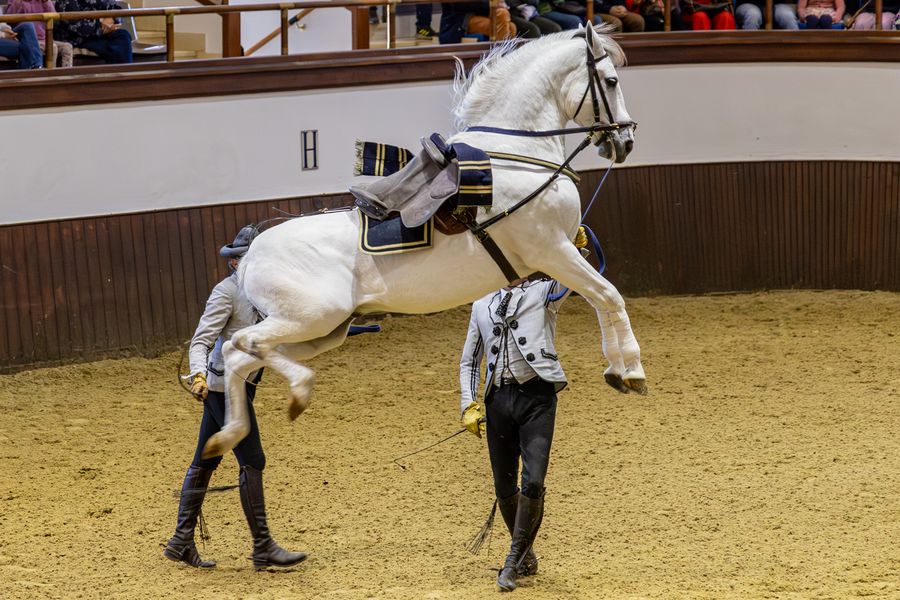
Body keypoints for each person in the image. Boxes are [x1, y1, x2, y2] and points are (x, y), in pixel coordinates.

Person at [164, 225, 306, 570]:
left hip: (245, 384)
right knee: (253, 459)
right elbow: (201, 341)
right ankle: (262, 546)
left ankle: (181, 540)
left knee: (205, 461)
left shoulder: (270, 293)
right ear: (234, 263)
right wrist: (197, 374)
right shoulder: (226, 293)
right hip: (223, 385)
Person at [459, 276, 573, 593]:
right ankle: (526, 555)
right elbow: (470, 360)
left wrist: (576, 248)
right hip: (498, 401)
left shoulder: (546, 291)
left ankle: (513, 560)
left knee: (533, 481)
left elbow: (575, 276)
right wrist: (468, 403)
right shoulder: (482, 303)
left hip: (537, 399)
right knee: (503, 485)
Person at [54, 0, 133, 64]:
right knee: (117, 49)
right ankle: (118, 76)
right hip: (77, 39)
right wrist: (103, 27)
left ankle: (125, 76)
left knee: (123, 35)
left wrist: (112, 18)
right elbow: (76, 26)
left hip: (100, 35)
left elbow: (118, 9)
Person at [6, 0, 75, 67]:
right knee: (52, 47)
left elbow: (55, 19)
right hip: (27, 40)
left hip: (44, 38)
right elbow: (10, 17)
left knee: (67, 47)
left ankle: (67, 74)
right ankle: (51, 76)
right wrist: (20, 2)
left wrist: (46, 2)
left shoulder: (42, 2)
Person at [735, 0, 799, 28]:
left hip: (775, 5)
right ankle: (749, 52)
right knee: (753, 15)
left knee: (787, 16)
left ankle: (795, 52)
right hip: (748, 4)